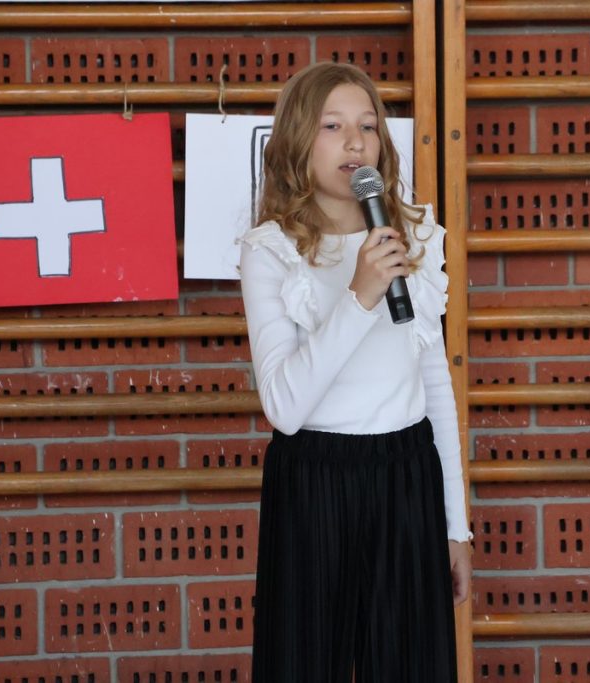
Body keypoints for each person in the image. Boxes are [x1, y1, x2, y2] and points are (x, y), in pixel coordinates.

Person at [239, 61, 472, 683]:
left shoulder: (414, 235)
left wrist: (455, 526)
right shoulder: (271, 251)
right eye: (333, 126)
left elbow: (434, 386)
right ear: (297, 140)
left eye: (368, 126)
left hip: (406, 474)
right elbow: (284, 406)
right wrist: (360, 295)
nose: (354, 141)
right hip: (314, 480)